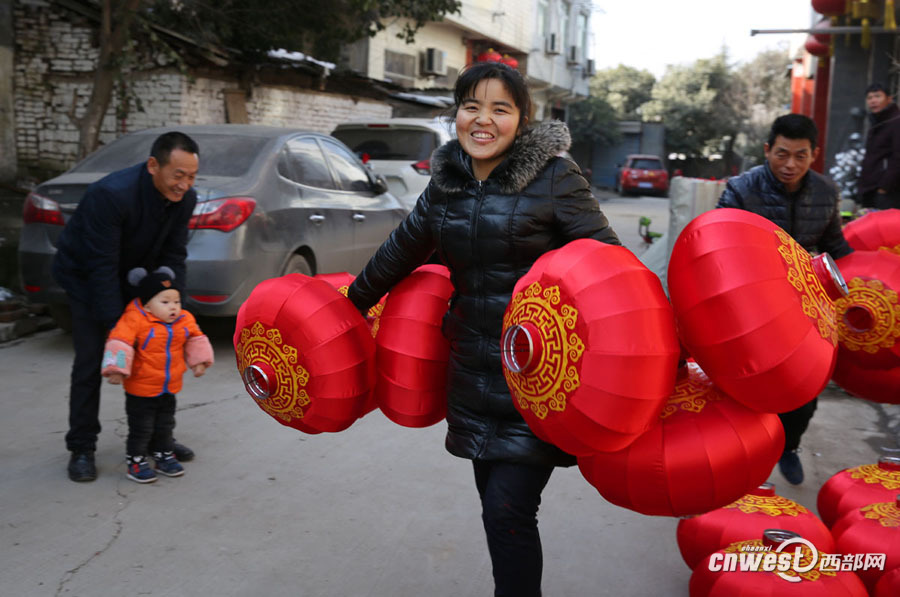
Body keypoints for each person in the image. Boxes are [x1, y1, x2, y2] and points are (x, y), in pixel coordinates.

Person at [347, 62, 620, 597]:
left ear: (522, 118)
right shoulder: (446, 179)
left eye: (500, 108)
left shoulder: (554, 179)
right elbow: (403, 248)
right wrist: (350, 303)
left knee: (508, 510)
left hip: (540, 373)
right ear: (456, 113)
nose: (483, 120)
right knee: (495, 507)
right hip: (472, 371)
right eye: (472, 105)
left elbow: (611, 263)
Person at [52, 131, 200, 482]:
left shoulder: (185, 199)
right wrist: (120, 332)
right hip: (87, 277)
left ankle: (156, 440)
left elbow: (174, 254)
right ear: (153, 165)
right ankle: (82, 447)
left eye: (191, 176)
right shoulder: (111, 195)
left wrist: (170, 303)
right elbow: (101, 266)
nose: (184, 184)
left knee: (160, 359)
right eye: (177, 174)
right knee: (93, 361)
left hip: (138, 276)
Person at [717, 113, 853, 485]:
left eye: (800, 155)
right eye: (781, 154)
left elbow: (835, 247)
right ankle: (739, 461)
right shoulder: (741, 189)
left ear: (815, 155)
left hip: (806, 305)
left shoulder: (826, 193)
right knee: (743, 384)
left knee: (804, 387)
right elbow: (718, 246)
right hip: (749, 305)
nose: (790, 164)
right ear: (767, 150)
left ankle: (789, 445)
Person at [101, 267, 213, 484]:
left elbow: (195, 338)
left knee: (165, 425)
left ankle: (163, 454)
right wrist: (116, 369)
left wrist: (199, 361)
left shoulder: (184, 320)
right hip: (141, 389)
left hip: (168, 386)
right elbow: (119, 343)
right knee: (141, 428)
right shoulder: (134, 319)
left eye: (176, 302)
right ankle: (136, 460)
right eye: (165, 302)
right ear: (147, 305)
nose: (173, 307)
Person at [858, 82, 900, 209]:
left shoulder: (896, 122)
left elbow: (898, 157)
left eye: (877, 96)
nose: (873, 101)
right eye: (869, 98)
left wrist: (884, 187)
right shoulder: (878, 121)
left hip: (887, 191)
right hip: (871, 188)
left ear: (889, 99)